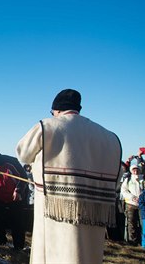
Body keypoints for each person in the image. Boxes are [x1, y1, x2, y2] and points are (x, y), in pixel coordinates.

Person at [16, 89, 122, 264]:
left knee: (56, 251)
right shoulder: (108, 136)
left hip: (54, 204)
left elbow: (23, 153)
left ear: (56, 109)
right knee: (87, 251)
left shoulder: (47, 125)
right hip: (93, 206)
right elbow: (117, 174)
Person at [121, 163, 144, 244]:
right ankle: (132, 241)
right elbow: (124, 191)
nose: (135, 171)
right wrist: (132, 197)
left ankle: (143, 241)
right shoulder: (128, 180)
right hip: (130, 204)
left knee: (142, 223)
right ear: (131, 171)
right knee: (131, 223)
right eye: (134, 169)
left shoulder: (143, 179)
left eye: (137, 169)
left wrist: (142, 198)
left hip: (142, 204)